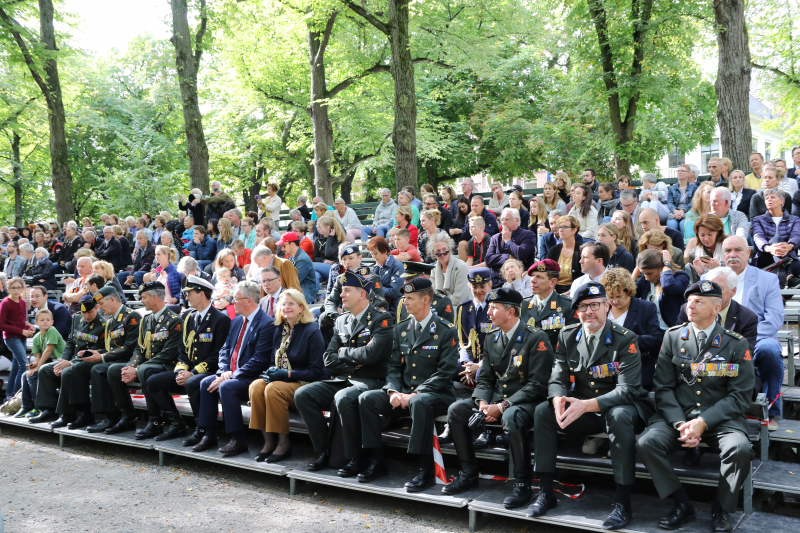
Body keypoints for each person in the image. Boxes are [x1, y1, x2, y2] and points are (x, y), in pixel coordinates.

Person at [528, 282, 651, 530]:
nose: (589, 312)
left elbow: (627, 390)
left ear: (607, 307)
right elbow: (558, 378)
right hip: (585, 408)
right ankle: (546, 492)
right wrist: (557, 399)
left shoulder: (625, 338)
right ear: (576, 312)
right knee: (544, 411)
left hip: (622, 407)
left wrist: (586, 405)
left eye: (595, 305)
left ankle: (623, 503)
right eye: (583, 307)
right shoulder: (568, 335)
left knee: (618, 416)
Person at [636, 281, 753, 533]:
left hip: (720, 419)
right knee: (647, 442)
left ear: (716, 308)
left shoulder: (736, 343)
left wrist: (703, 422)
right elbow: (663, 387)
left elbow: (740, 396)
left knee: (739, 448)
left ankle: (722, 507)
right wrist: (680, 423)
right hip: (678, 415)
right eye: (689, 301)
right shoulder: (673, 336)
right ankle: (681, 503)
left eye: (699, 301)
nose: (690, 305)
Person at [443, 288, 553, 507]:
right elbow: (485, 378)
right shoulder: (492, 337)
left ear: (510, 312)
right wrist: (483, 403)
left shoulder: (536, 337)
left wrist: (502, 406)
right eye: (489, 307)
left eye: (494, 308)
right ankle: (469, 473)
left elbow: (537, 385)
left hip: (524, 402)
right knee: (456, 411)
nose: (489, 312)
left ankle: (522, 484)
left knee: (511, 416)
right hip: (495, 400)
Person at [356, 277, 457, 490]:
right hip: (403, 393)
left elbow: (445, 372)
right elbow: (394, 367)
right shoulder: (401, 328)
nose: (405, 302)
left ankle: (425, 471)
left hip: (437, 395)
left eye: (410, 298)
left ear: (426, 300)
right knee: (367, 399)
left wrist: (415, 393)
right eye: (404, 298)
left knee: (419, 402)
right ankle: (377, 461)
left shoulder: (446, 329)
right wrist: (393, 391)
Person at [295, 271, 394, 471]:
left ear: (362, 294)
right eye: (341, 290)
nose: (341, 295)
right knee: (303, 395)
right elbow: (328, 360)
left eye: (347, 290)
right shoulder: (342, 320)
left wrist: (343, 352)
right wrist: (354, 363)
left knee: (343, 398)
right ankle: (325, 450)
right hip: (344, 379)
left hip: (370, 381)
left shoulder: (381, 318)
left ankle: (358, 457)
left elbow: (372, 355)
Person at [193, 281, 276, 455]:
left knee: (226, 386)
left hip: (252, 377)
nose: (232, 302)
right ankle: (209, 434)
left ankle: (238, 439)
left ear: (249, 300)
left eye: (236, 299)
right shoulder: (237, 321)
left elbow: (260, 360)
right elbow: (225, 349)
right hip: (231, 373)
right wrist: (224, 371)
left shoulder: (267, 324)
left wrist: (233, 375)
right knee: (205, 383)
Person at [247, 289, 325, 462]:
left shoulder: (312, 331)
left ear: (301, 307)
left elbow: (317, 372)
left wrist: (287, 373)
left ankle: (283, 444)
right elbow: (272, 361)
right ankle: (268, 442)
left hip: (305, 383)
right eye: (283, 304)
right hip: (283, 380)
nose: (286, 307)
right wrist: (270, 373)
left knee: (274, 389)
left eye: (291, 304)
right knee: (256, 386)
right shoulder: (280, 330)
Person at [718, 236, 783, 429]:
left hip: (758, 338)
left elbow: (774, 318)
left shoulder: (767, 279)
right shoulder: (711, 278)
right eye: (728, 251)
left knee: (770, 350)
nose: (733, 255)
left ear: (748, 253)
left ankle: (770, 411)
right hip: (719, 339)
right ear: (722, 254)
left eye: (738, 250)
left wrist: (743, 341)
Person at [102, 283, 182, 438]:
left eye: (144, 297)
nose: (142, 301)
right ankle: (127, 417)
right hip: (148, 366)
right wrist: (131, 366)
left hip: (167, 366)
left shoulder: (174, 320)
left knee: (145, 371)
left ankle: (156, 421)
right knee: (114, 370)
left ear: (154, 297)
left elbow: (168, 354)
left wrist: (137, 369)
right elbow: (139, 348)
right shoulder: (146, 319)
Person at [71, 286, 141, 434]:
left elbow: (130, 347)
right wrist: (95, 352)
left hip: (128, 361)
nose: (100, 307)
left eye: (101, 303)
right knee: (79, 368)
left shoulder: (131, 316)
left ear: (112, 300)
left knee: (99, 369)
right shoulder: (111, 321)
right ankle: (85, 413)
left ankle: (110, 416)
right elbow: (110, 348)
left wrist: (102, 356)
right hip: (113, 359)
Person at [28, 294, 107, 427]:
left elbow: (97, 351)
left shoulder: (104, 324)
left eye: (90, 312)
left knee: (67, 372)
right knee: (45, 370)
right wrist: (63, 360)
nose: (87, 315)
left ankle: (69, 414)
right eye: (84, 312)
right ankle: (49, 409)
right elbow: (70, 341)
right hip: (73, 359)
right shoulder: (77, 318)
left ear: (97, 308)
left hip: (89, 362)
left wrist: (70, 363)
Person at [600, 268, 662, 391]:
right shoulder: (601, 308)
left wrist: (625, 339)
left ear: (628, 291)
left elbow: (656, 338)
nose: (615, 301)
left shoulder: (646, 308)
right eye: (610, 297)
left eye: (619, 296)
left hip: (636, 373)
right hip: (604, 375)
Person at [677, 267, 757, 355]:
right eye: (709, 288)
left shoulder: (747, 318)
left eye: (719, 289)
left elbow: (745, 354)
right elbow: (678, 346)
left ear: (733, 291)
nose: (713, 293)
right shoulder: (689, 310)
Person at [14, 309, 65, 419]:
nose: (45, 322)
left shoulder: (52, 330)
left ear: (52, 322)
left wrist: (37, 368)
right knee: (25, 375)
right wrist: (34, 365)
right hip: (48, 364)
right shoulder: (37, 337)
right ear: (36, 322)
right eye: (42, 320)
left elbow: (48, 350)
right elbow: (38, 356)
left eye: (48, 320)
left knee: (33, 376)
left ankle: (39, 407)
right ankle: (26, 406)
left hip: (60, 362)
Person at [519, 259, 577, 349]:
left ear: (552, 282)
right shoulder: (523, 304)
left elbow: (570, 344)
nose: (533, 280)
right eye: (532, 276)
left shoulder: (568, 305)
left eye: (539, 277)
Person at [453, 267, 494, 391]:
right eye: (474, 287)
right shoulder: (464, 308)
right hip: (470, 360)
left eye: (482, 286)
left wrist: (479, 365)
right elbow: (463, 342)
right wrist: (467, 364)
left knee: (482, 372)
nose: (478, 290)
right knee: (446, 366)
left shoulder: (496, 308)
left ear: (490, 286)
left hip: (490, 361)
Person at [751, 187, 800, 286]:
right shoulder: (758, 219)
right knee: (777, 239)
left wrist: (789, 246)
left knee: (779, 241)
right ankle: (789, 276)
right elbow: (758, 237)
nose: (769, 200)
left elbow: (796, 235)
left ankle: (785, 280)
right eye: (767, 198)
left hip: (789, 255)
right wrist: (769, 248)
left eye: (773, 197)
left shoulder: (794, 220)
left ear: (782, 200)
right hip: (765, 257)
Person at [635, 248, 690, 329]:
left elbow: (668, 287)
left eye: (650, 273)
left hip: (668, 330)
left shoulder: (681, 276)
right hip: (648, 329)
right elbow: (630, 292)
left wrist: (667, 263)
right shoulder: (646, 279)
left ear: (661, 266)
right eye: (643, 273)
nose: (646, 278)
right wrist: (638, 265)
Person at [0, 277, 36, 400]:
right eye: (13, 288)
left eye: (18, 288)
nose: (16, 290)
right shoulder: (5, 303)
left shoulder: (22, 302)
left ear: (23, 288)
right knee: (23, 365)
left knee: (16, 367)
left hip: (22, 337)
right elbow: (1, 324)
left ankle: (9, 395)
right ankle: (16, 395)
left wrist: (28, 327)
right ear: (8, 288)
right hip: (11, 337)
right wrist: (21, 331)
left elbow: (21, 321)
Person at [484, 207, 537, 287]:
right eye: (502, 220)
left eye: (507, 219)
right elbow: (488, 259)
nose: (503, 222)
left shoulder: (528, 235)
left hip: (521, 281)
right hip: (497, 282)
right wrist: (507, 257)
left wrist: (508, 241)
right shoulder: (495, 238)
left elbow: (521, 255)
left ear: (517, 220)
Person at [276, 230, 320, 307]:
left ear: (292, 244)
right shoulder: (293, 257)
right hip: (299, 295)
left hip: (304, 298)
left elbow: (294, 282)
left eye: (284, 246)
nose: (282, 249)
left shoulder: (302, 259)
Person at [546, 215, 583, 294]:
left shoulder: (582, 250)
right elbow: (547, 272)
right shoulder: (553, 250)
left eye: (565, 227)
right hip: (554, 290)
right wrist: (552, 289)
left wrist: (566, 294)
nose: (561, 230)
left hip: (576, 290)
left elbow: (584, 277)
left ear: (574, 230)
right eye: (560, 227)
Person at [430, 233, 470, 305]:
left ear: (449, 249)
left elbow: (459, 298)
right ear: (433, 253)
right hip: (441, 306)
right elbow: (433, 294)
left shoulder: (462, 267)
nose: (442, 254)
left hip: (461, 307)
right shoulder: (433, 270)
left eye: (444, 250)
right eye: (438, 251)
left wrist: (440, 302)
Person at [684, 214, 726, 280]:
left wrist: (719, 266)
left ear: (718, 232)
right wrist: (701, 273)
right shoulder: (694, 254)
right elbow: (696, 283)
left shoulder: (730, 247)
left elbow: (737, 271)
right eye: (702, 235)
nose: (706, 238)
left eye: (710, 234)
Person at [367, 236, 404, 307]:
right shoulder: (376, 267)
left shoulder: (397, 266)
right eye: (371, 254)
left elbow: (394, 292)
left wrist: (375, 287)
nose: (374, 256)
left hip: (393, 307)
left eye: (376, 253)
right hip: (378, 305)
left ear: (385, 251)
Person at [667, 165, 698, 234]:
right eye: (678, 171)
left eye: (682, 171)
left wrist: (683, 210)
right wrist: (675, 211)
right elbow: (670, 203)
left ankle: (685, 241)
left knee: (683, 224)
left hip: (688, 214)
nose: (679, 172)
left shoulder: (694, 188)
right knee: (672, 224)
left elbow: (694, 202)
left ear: (688, 173)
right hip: (674, 213)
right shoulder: (671, 188)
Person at [313, 216, 344, 285]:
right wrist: (324, 261)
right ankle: (319, 293)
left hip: (335, 268)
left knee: (307, 264)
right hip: (322, 267)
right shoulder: (318, 240)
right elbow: (315, 257)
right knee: (314, 276)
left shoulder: (338, 240)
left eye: (320, 227)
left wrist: (330, 238)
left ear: (327, 228)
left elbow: (328, 253)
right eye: (317, 227)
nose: (317, 229)